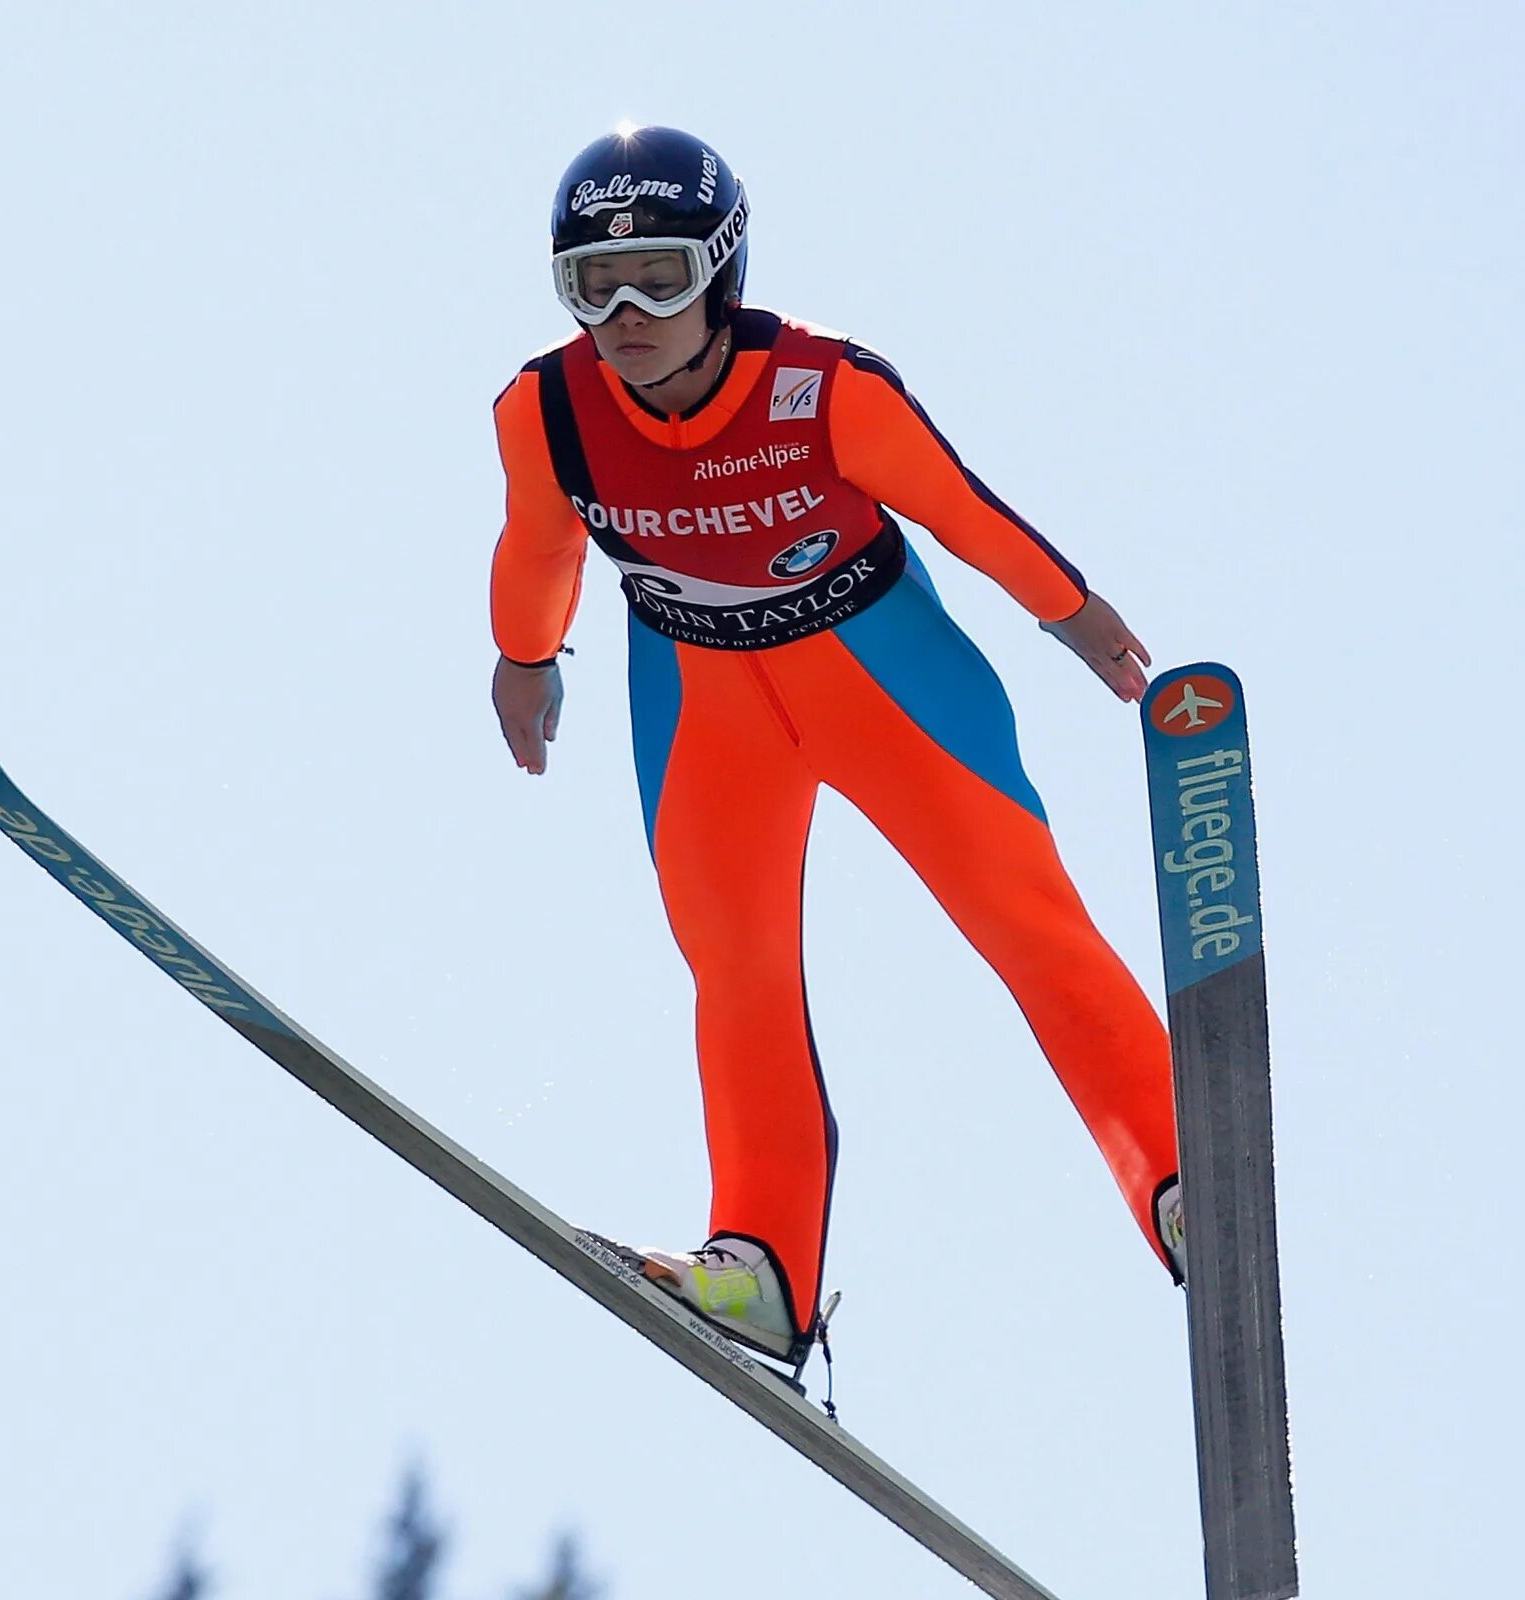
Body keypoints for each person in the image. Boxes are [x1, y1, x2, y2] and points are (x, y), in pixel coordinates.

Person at [488, 123, 1182, 1351]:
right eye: (594, 285)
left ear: (724, 270)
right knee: (735, 968)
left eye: (659, 274)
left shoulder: (826, 390)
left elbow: (962, 510)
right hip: (701, 700)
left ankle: (1181, 1178)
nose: (628, 312)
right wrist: (527, 657)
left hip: (879, 674)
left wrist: (1073, 614)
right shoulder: (549, 409)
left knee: (1023, 918)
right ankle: (760, 1267)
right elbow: (539, 545)